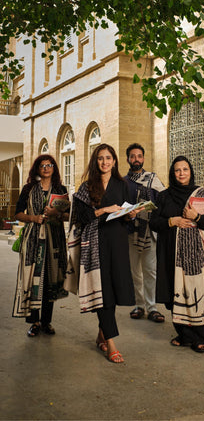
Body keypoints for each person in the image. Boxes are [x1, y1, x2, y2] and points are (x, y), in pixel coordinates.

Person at [149, 156, 204, 352]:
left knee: (198, 295)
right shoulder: (164, 196)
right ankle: (184, 336)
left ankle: (201, 338)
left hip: (197, 257)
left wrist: (195, 216)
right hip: (171, 256)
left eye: (185, 169)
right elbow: (153, 223)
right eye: (177, 170)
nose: (181, 173)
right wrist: (172, 221)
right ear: (173, 174)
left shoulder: (202, 195)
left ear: (191, 172)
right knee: (177, 294)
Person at [72, 144, 135, 363]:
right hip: (95, 242)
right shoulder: (87, 186)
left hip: (117, 241)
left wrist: (131, 214)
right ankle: (111, 343)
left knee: (115, 288)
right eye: (100, 158)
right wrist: (104, 210)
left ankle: (101, 334)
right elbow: (80, 216)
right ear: (95, 161)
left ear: (115, 161)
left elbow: (126, 216)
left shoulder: (122, 184)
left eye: (108, 158)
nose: (105, 162)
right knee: (103, 289)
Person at [13, 154, 69, 337]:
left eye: (49, 165)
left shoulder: (61, 189)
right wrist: (33, 218)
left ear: (54, 168)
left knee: (49, 280)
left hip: (55, 239)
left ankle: (46, 322)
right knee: (32, 280)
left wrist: (56, 213)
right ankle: (34, 322)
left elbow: (68, 215)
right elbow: (18, 214)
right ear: (37, 169)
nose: (46, 168)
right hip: (33, 240)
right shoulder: (28, 188)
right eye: (42, 165)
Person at [124, 143, 165, 323]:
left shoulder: (153, 179)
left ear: (144, 158)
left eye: (139, 156)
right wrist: (128, 214)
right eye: (133, 156)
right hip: (130, 231)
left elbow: (164, 199)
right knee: (135, 271)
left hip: (149, 231)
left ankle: (152, 307)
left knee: (151, 270)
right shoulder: (123, 182)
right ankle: (139, 305)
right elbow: (119, 205)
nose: (136, 160)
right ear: (128, 159)